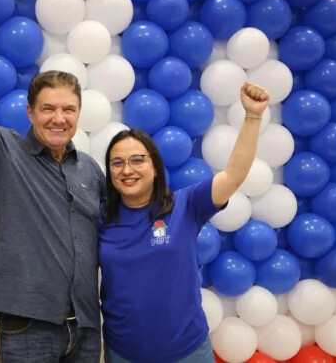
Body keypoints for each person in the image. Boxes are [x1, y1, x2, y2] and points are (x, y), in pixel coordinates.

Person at [0, 6, 105, 362]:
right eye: (48, 109)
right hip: (29, 328)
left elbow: (119, 233)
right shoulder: (3, 150)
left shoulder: (91, 170)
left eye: (68, 110)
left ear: (79, 113)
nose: (58, 118)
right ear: (30, 112)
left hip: (87, 327)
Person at [99, 82, 270, 363]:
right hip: (124, 352)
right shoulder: (101, 217)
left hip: (187, 351)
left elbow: (234, 175)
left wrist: (252, 116)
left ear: (155, 168)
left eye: (137, 160)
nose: (127, 170)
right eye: (117, 163)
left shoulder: (186, 205)